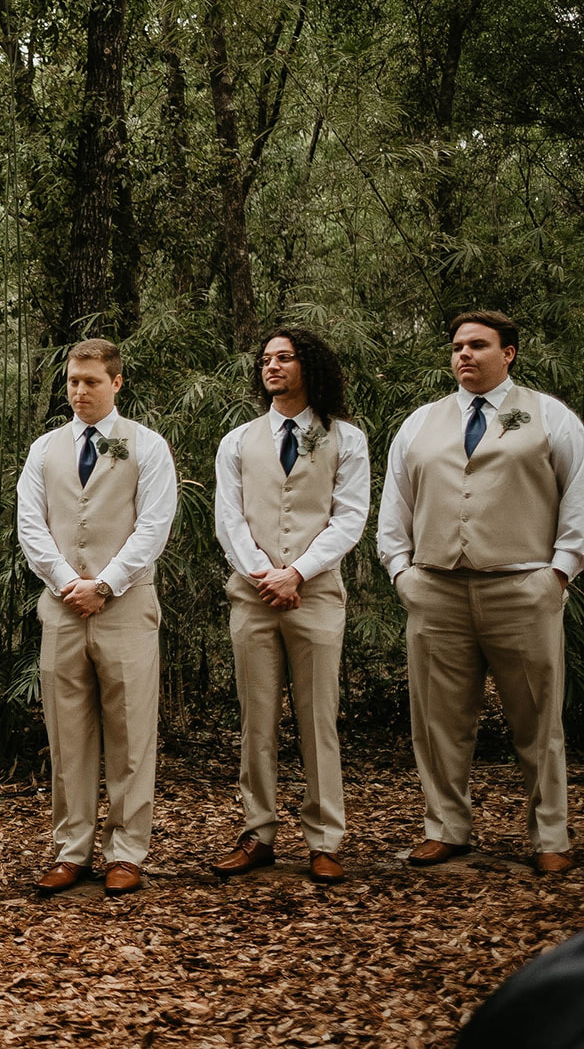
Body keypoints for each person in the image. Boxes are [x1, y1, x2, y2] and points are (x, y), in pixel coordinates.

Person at [378, 309, 581, 874]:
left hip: (523, 587)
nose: (463, 354)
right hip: (436, 590)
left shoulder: (550, 417)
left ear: (508, 353)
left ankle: (550, 836)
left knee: (537, 719)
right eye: (457, 346)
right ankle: (446, 828)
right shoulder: (421, 422)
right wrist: (401, 572)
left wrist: (558, 573)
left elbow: (579, 497)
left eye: (477, 345)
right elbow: (395, 504)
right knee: (438, 720)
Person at [17, 338, 177, 897]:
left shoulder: (148, 446)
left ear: (116, 383)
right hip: (61, 609)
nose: (79, 391)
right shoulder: (44, 449)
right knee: (67, 734)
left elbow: (154, 525)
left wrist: (106, 583)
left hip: (127, 606)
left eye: (90, 381)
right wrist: (68, 582)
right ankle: (71, 849)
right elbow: (30, 527)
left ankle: (128, 851)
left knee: (132, 731)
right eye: (72, 381)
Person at [210, 328, 369, 884]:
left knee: (317, 718)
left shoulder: (345, 437)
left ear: (310, 366)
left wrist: (297, 572)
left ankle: (325, 839)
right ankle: (258, 833)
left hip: (317, 594)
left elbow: (349, 517)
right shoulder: (237, 440)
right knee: (256, 719)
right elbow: (228, 519)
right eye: (266, 359)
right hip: (252, 596)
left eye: (285, 357)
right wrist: (264, 574)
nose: (272, 366)